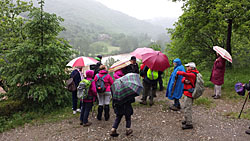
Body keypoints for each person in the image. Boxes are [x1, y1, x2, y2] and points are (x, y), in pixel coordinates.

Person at [177, 62, 199, 130]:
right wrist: (184, 80)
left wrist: (178, 72)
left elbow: (184, 74)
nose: (186, 67)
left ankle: (189, 123)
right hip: (187, 93)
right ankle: (186, 120)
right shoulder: (190, 73)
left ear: (191, 67)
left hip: (189, 94)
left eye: (188, 66)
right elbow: (183, 79)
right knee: (186, 107)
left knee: (187, 108)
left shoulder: (192, 74)